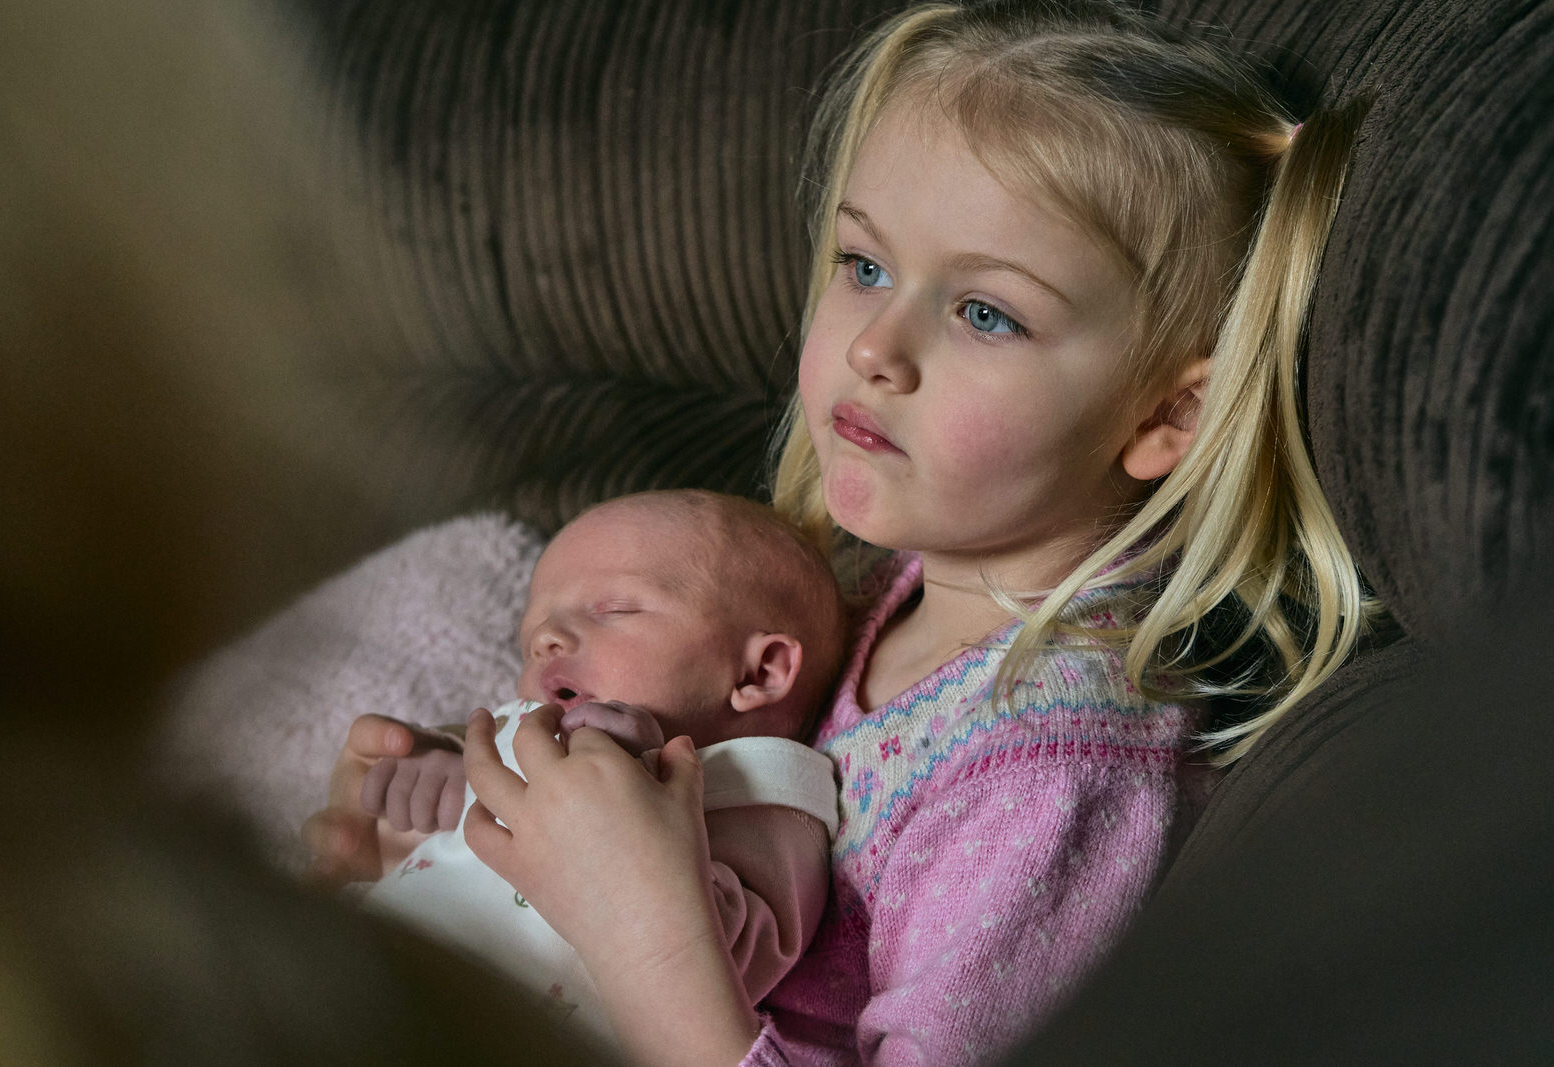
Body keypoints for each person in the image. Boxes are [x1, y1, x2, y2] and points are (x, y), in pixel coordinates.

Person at [308, 2, 1375, 1064]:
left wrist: (638, 923)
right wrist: (461, 819)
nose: (875, 346)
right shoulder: (903, 587)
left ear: (1163, 417)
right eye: (864, 265)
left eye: (985, 312)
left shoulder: (1050, 773)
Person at [322, 489, 848, 1048]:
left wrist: (632, 775)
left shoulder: (766, 786)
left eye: (614, 610)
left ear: (759, 672)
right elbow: (472, 833)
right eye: (530, 641)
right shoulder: (535, 726)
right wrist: (441, 776)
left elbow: (724, 964)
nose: (547, 640)